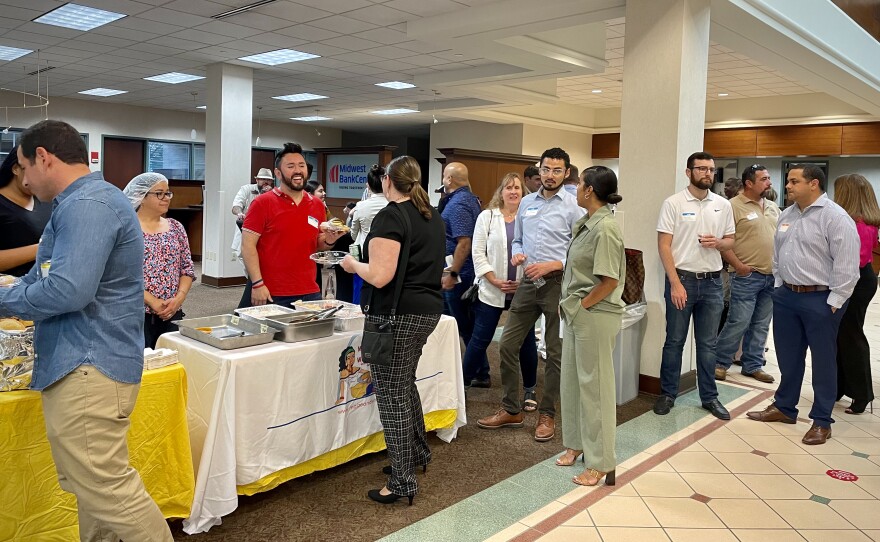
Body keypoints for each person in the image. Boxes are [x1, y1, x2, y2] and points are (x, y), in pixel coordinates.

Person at [0, 119, 173, 541]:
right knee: (94, 492)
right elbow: (44, 275)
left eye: (23, 167)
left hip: (87, 365)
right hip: (87, 362)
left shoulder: (87, 206)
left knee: (109, 490)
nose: (22, 179)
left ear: (44, 157)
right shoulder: (83, 202)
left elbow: (66, 292)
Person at [340, 155, 445, 506]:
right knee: (404, 384)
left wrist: (353, 264)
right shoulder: (432, 217)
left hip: (397, 316)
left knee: (391, 394)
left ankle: (402, 481)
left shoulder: (391, 217)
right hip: (427, 311)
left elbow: (381, 275)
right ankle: (416, 454)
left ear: (387, 180)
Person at [477, 147, 585, 442]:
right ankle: (512, 408)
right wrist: (518, 253)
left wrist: (556, 263)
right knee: (508, 345)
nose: (550, 176)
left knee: (554, 352)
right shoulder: (526, 203)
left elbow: (582, 249)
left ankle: (547, 414)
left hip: (559, 283)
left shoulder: (575, 205)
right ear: (540, 170)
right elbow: (520, 239)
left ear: (566, 172)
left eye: (556, 170)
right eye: (546, 170)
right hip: (527, 283)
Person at [747, 165, 859, 445]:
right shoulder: (787, 214)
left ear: (814, 184)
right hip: (786, 297)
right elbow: (779, 252)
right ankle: (785, 407)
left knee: (822, 362)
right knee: (788, 357)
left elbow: (847, 266)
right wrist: (778, 285)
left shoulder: (835, 217)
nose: (788, 186)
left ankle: (822, 420)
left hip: (820, 299)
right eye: (788, 182)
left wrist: (833, 302)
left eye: (794, 181)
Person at [557, 165, 625, 487]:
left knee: (595, 389)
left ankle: (600, 462)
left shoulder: (606, 228)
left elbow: (610, 280)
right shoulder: (584, 223)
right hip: (576, 312)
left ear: (590, 191)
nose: (576, 187)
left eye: (579, 183)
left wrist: (583, 306)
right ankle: (576, 444)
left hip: (594, 314)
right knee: (571, 383)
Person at [654, 151, 735, 420]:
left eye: (711, 169)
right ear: (688, 173)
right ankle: (667, 394)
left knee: (708, 344)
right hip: (682, 281)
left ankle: (709, 398)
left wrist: (719, 244)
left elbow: (730, 241)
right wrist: (675, 283)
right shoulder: (673, 203)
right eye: (701, 169)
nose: (707, 174)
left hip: (712, 282)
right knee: (674, 341)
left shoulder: (723, 205)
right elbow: (663, 245)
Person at [240, 142, 345, 307]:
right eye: (290, 166)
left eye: (301, 165)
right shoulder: (262, 203)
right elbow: (247, 246)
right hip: (271, 291)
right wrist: (257, 283)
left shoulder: (317, 205)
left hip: (309, 290)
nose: (298, 170)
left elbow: (316, 244)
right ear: (278, 173)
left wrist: (329, 240)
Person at [464, 173, 538, 398]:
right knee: (479, 340)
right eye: (508, 187)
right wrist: (493, 279)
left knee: (526, 342)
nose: (513, 191)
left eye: (517, 187)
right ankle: (461, 386)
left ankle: (529, 390)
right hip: (491, 289)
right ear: (501, 192)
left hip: (522, 291)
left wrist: (523, 282)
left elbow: (537, 252)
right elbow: (477, 253)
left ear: (523, 192)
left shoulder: (531, 218)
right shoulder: (487, 217)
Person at [713, 164, 779, 383]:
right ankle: (720, 362)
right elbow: (722, 242)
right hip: (745, 275)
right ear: (749, 183)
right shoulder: (732, 206)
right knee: (739, 321)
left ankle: (752, 365)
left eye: (768, 178)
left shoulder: (772, 206)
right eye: (764, 179)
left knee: (761, 324)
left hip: (771, 276)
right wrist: (738, 266)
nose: (769, 182)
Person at [123, 172, 195, 349]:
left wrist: (179, 298)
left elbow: (187, 268)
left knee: (169, 363)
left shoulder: (176, 227)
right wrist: (152, 302)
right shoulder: (126, 229)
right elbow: (122, 275)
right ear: (141, 196)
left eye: (168, 193)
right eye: (159, 193)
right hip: (136, 313)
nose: (166, 198)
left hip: (172, 312)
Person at [832, 174, 880, 414]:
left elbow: (854, 263)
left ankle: (861, 394)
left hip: (856, 282)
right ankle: (840, 387)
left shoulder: (858, 225)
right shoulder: (865, 222)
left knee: (851, 337)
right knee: (841, 337)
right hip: (861, 279)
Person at [439, 162, 482, 357]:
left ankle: (478, 371)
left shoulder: (459, 204)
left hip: (459, 273)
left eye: (444, 176)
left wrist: (452, 273)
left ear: (449, 179)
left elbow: (464, 242)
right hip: (458, 271)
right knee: (457, 323)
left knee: (463, 324)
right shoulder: (465, 198)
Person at [0, 145, 51, 276]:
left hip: (43, 286)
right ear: (16, 169)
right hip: (9, 291)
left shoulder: (44, 200)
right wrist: (42, 248)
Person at [350, 164, 388, 304]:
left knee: (360, 295)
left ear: (369, 186)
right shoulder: (393, 205)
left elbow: (353, 235)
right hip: (387, 256)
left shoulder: (361, 206)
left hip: (363, 256)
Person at [231, 168, 274, 260]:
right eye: (263, 179)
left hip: (265, 235)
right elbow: (236, 206)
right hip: (246, 231)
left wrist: (268, 195)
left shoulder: (274, 194)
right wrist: (240, 213)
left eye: (268, 180)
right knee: (245, 261)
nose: (265, 182)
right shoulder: (246, 189)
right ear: (257, 180)